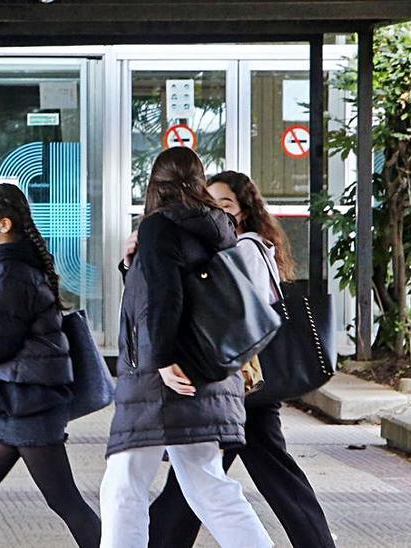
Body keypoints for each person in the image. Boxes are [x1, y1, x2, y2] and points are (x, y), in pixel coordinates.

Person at [147, 171, 335, 548]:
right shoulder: (237, 247)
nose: (219, 211)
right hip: (244, 387)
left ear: (244, 210)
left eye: (227, 204)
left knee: (203, 478)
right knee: (209, 478)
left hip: (244, 384)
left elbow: (235, 312)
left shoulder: (246, 248)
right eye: (212, 203)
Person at [99, 148, 271, 548]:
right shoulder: (218, 228)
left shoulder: (160, 226)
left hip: (164, 380)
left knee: (124, 484)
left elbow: (164, 298)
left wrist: (161, 361)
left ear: (155, 185)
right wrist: (132, 265)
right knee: (207, 485)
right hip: (209, 370)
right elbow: (190, 294)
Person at [0, 183, 102, 548]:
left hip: (28, 400)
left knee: (64, 500)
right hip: (18, 399)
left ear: (4, 224)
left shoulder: (11, 272)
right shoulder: (12, 265)